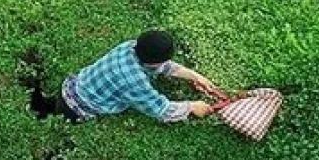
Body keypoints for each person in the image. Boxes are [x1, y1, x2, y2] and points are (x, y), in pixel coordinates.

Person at [54, 30, 217, 123]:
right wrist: (192, 107)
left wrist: (195, 77)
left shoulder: (130, 46)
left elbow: (163, 66)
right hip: (79, 108)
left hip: (73, 85)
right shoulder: (134, 81)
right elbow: (162, 110)